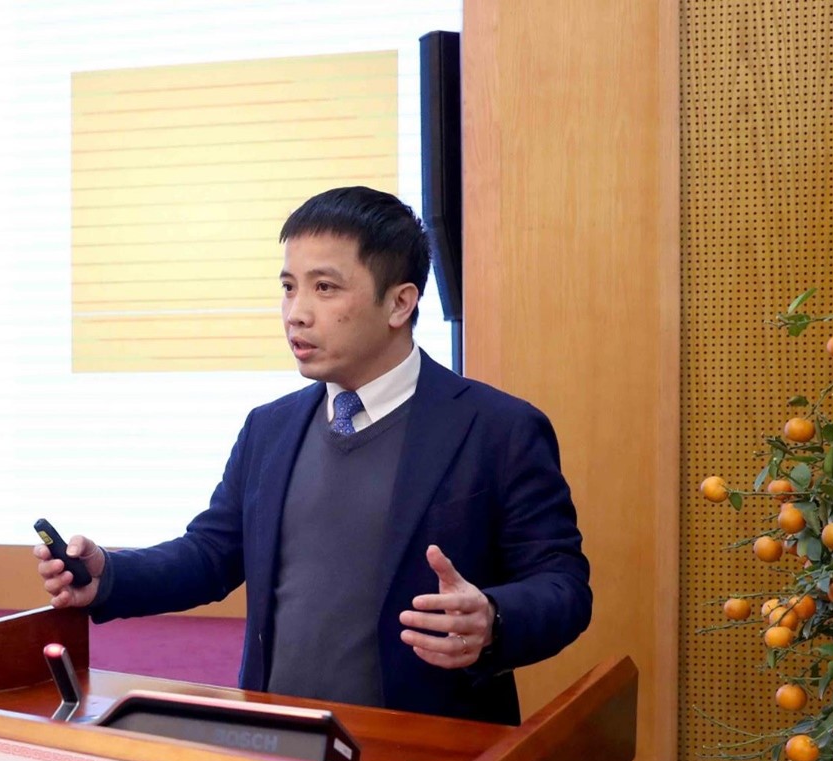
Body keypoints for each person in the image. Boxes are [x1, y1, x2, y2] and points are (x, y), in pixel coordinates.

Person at [33, 186, 590, 724]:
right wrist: (110, 576)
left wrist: (492, 618)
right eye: (288, 287)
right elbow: (211, 554)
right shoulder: (269, 428)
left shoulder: (498, 429)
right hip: (281, 742)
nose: (295, 313)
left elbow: (562, 586)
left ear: (400, 303)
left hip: (429, 750)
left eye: (324, 288)